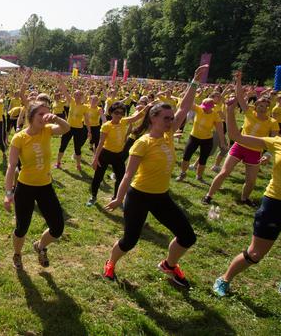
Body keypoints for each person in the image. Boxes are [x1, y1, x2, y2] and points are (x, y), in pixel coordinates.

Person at [102, 65, 208, 287]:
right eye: (166, 118)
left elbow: (185, 106)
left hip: (161, 196)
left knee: (187, 236)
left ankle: (169, 265)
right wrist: (119, 198)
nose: (171, 121)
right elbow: (128, 174)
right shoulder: (143, 143)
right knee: (130, 240)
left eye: (171, 118)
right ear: (153, 119)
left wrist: (194, 82)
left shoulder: (168, 136)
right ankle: (110, 262)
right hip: (139, 195)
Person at [213, 97, 281, 296]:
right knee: (255, 253)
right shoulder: (276, 142)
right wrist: (230, 110)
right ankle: (224, 279)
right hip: (275, 203)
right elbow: (236, 135)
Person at [4, 101, 70, 269]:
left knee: (57, 227)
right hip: (25, 187)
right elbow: (11, 166)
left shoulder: (47, 130)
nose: (45, 117)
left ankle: (40, 246)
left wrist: (56, 118)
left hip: (45, 187)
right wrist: (8, 192)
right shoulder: (19, 137)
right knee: (22, 228)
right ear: (31, 116)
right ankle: (17, 254)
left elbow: (66, 128)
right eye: (41, 114)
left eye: (47, 114)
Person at [203, 71, 278, 206]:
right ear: (255, 106)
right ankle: (208, 196)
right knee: (224, 172)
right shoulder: (249, 113)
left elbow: (273, 139)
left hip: (255, 151)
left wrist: (267, 154)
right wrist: (238, 80)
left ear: (268, 108)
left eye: (265, 106)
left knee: (251, 181)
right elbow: (239, 96)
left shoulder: (272, 122)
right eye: (260, 105)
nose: (262, 108)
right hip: (239, 146)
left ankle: (244, 199)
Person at [87, 101, 147, 206]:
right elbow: (101, 143)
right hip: (105, 154)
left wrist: (148, 106)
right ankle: (93, 196)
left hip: (118, 155)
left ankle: (116, 197)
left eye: (122, 113)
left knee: (120, 178)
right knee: (98, 177)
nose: (119, 115)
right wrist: (95, 159)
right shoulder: (106, 126)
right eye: (117, 112)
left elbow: (136, 117)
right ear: (111, 113)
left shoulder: (123, 121)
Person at [176, 98, 226, 183]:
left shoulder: (215, 115)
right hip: (194, 137)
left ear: (212, 107)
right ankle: (182, 173)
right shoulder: (198, 109)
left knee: (203, 160)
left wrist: (222, 142)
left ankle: (199, 177)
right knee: (186, 156)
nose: (203, 108)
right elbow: (187, 102)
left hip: (207, 140)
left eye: (206, 107)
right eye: (203, 106)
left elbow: (220, 130)